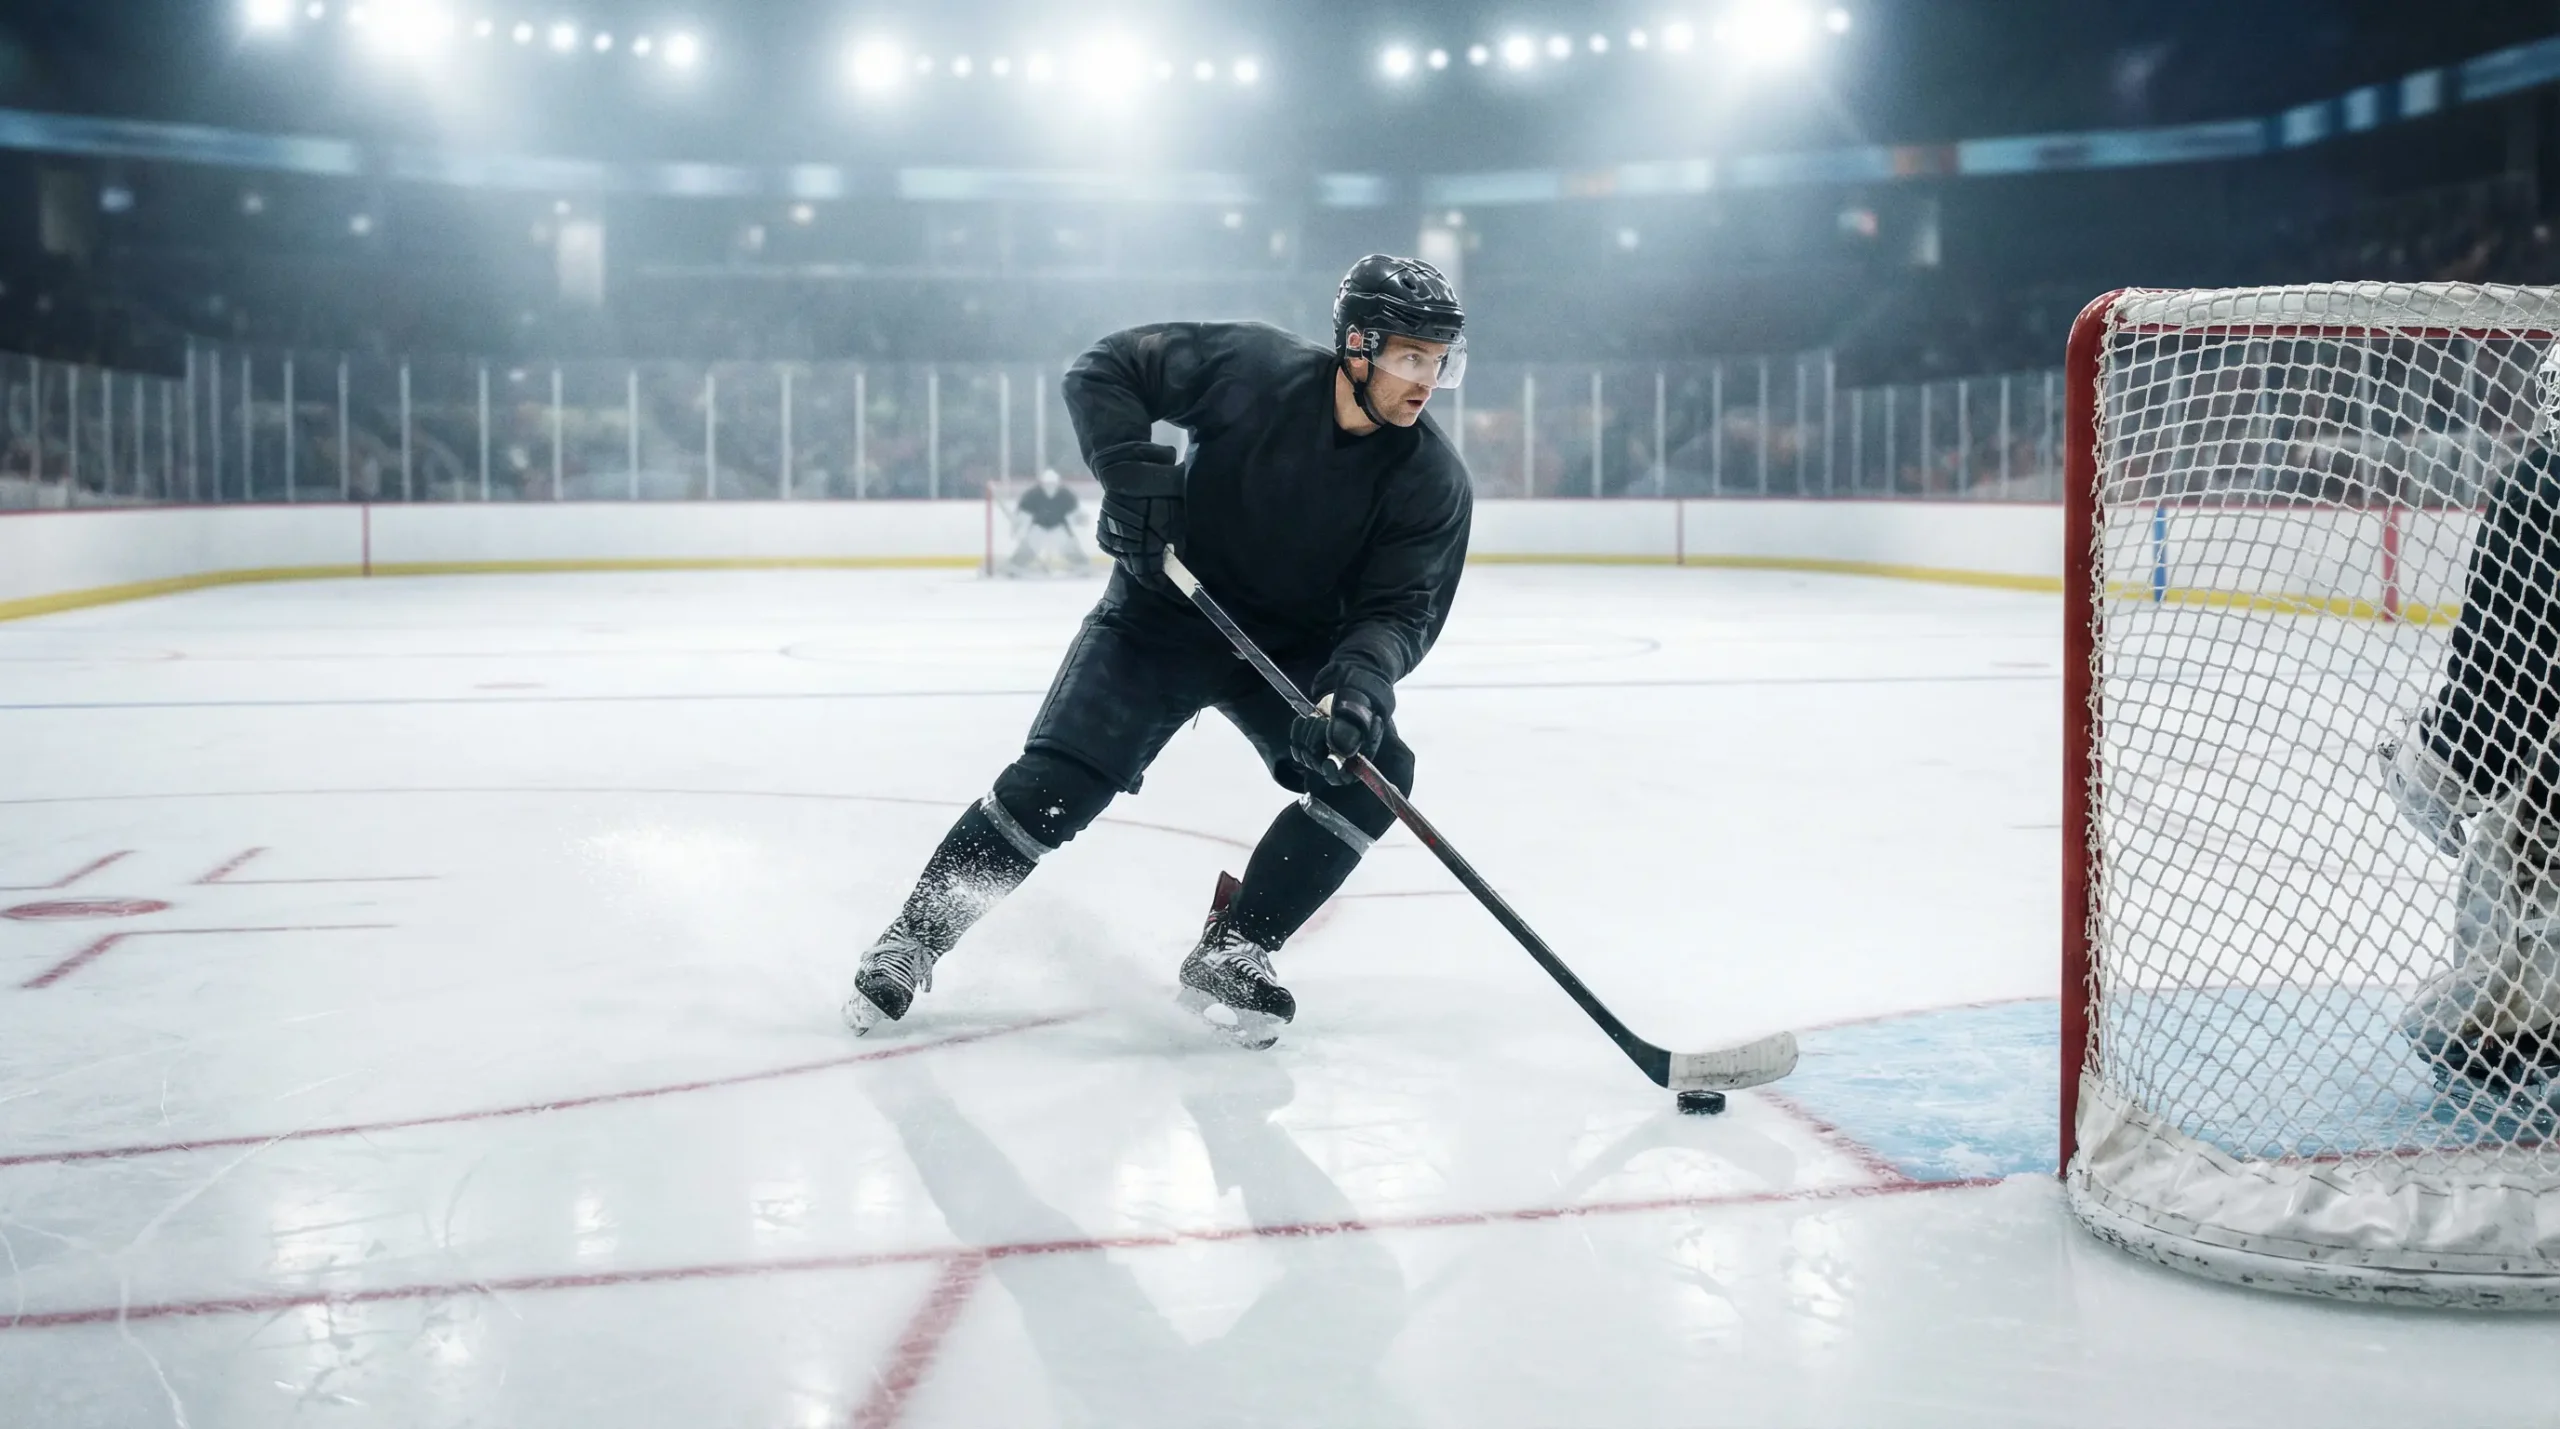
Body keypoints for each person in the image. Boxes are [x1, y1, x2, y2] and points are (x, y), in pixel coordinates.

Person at [844, 255, 1473, 1048]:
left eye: (1440, 361)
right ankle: (913, 936)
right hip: (1161, 615)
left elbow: (1400, 608)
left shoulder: (1431, 480)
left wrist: (1353, 688)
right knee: (1055, 786)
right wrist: (1127, 472)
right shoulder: (1255, 369)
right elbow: (1107, 369)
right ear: (1356, 345)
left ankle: (1234, 948)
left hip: (1285, 648)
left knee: (1372, 773)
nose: (1428, 380)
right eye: (1411, 357)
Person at [2383, 347, 2560, 1097]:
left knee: (2512, 848)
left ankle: (2513, 1028)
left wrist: (2440, 761)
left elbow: (2503, 662)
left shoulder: (2540, 486)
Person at [1003, 467, 1093, 576]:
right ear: (1041, 484)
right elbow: (1022, 512)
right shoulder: (1033, 494)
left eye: (1053, 484)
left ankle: (1083, 565)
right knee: (1029, 546)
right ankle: (1015, 566)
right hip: (1038, 526)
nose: (1050, 487)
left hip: (1058, 526)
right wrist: (1017, 524)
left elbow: (1076, 511)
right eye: (1047, 484)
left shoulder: (1065, 495)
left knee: (1068, 546)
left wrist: (1081, 519)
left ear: (1058, 483)